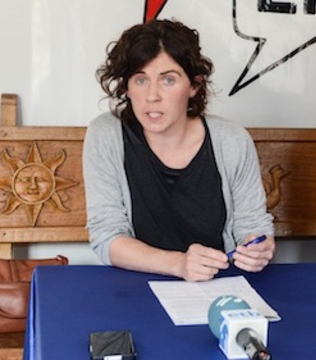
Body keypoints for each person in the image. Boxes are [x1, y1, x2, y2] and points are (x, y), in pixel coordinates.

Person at [83, 19, 275, 282]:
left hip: (217, 283)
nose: (152, 96)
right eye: (141, 80)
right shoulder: (106, 134)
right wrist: (179, 264)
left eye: (168, 80)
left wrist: (258, 247)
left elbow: (252, 227)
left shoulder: (232, 140)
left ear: (194, 85)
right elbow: (106, 236)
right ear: (126, 87)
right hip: (135, 283)